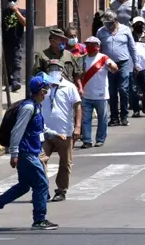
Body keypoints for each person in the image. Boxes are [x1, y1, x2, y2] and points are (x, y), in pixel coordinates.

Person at [0, 74, 59, 230]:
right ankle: (39, 220)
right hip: (26, 153)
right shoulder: (28, 108)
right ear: (41, 91)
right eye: (46, 89)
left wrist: (55, 134)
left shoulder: (36, 106)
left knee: (24, 186)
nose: (48, 91)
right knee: (42, 184)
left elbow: (38, 129)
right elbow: (17, 131)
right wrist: (14, 153)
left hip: (30, 152)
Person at [41, 61, 81, 202]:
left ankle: (61, 190)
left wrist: (78, 126)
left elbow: (77, 106)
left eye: (56, 68)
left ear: (61, 70)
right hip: (45, 132)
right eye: (50, 68)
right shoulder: (43, 87)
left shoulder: (69, 87)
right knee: (40, 161)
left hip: (64, 132)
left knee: (65, 163)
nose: (53, 70)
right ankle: (42, 189)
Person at [97, 10, 136, 126]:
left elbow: (132, 47)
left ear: (115, 21)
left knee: (123, 89)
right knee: (112, 91)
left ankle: (124, 116)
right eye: (105, 23)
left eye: (109, 23)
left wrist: (136, 63)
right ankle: (114, 117)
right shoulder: (101, 32)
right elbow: (98, 49)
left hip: (124, 63)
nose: (107, 25)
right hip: (108, 64)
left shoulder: (125, 30)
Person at [79, 37, 117, 148]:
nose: (91, 47)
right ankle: (87, 140)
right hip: (86, 95)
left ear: (98, 46)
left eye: (93, 44)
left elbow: (115, 68)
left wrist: (111, 66)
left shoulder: (104, 58)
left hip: (101, 95)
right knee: (86, 119)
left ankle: (100, 139)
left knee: (102, 119)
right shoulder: (82, 59)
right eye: (88, 44)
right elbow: (78, 74)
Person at [2, 0, 27, 92]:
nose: (12, 2)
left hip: (17, 42)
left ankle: (16, 81)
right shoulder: (5, 12)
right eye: (10, 0)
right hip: (6, 42)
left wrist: (16, 11)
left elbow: (25, 23)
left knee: (16, 62)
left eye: (14, 0)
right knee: (7, 63)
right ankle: (9, 83)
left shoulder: (22, 11)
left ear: (17, 1)